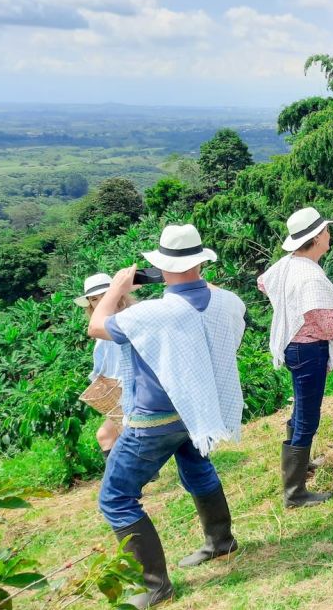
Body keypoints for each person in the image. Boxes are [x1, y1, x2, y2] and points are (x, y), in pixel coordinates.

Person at [88, 224, 246, 608]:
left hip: (156, 418)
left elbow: (96, 326)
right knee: (197, 469)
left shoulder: (153, 313)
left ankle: (155, 585)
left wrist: (116, 290)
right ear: (200, 260)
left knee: (116, 498)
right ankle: (220, 540)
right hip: (201, 409)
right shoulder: (229, 301)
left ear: (160, 266)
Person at [258, 207, 333, 508]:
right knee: (308, 416)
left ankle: (301, 467)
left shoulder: (289, 264)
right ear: (315, 238)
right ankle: (295, 492)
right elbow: (330, 325)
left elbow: (263, 282)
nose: (329, 236)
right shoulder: (308, 276)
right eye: (325, 232)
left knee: (301, 405)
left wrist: (288, 306)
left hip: (295, 345)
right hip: (308, 350)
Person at [76, 273, 133, 459]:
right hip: (120, 392)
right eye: (93, 299)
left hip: (137, 390)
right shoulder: (101, 328)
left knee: (109, 435)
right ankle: (132, 481)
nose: (99, 302)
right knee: (107, 436)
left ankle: (128, 482)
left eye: (104, 295)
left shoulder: (130, 318)